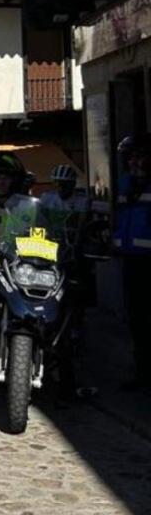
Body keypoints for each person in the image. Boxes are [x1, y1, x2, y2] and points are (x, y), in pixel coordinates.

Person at [114, 134, 151, 393]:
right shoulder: (125, 183)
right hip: (130, 260)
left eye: (139, 157)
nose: (134, 163)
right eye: (130, 158)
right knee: (136, 320)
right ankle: (142, 374)